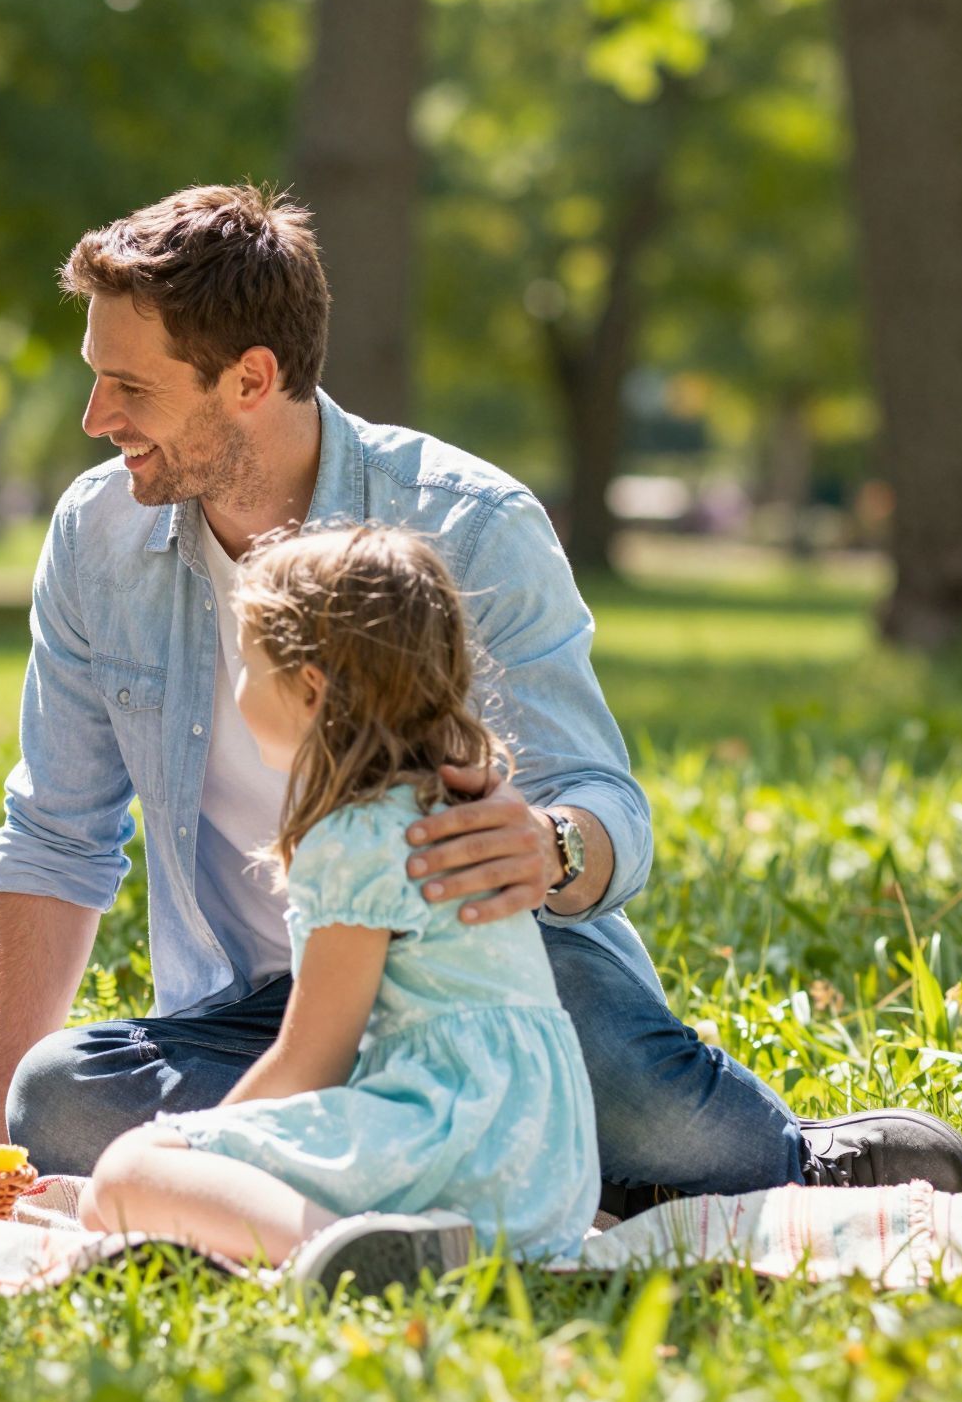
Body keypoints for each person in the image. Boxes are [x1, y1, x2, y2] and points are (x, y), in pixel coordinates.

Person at [0, 183, 962, 1220]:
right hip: (265, 1016)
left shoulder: (470, 523)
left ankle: (779, 1160)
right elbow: (54, 833)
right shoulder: (97, 538)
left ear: (250, 378)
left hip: (495, 993)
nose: (94, 419)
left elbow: (605, 801)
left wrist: (550, 847)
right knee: (61, 1098)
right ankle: (493, 1157)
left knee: (623, 1083)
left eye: (127, 386)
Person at [81, 526, 598, 1290]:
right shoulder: (448, 805)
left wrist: (209, 1144)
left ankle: (348, 1250)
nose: (236, 686)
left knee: (129, 1172)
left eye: (247, 665)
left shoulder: (354, 837)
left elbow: (313, 1057)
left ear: (312, 687)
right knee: (163, 1168)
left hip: (452, 1138)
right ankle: (412, 1244)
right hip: (544, 1171)